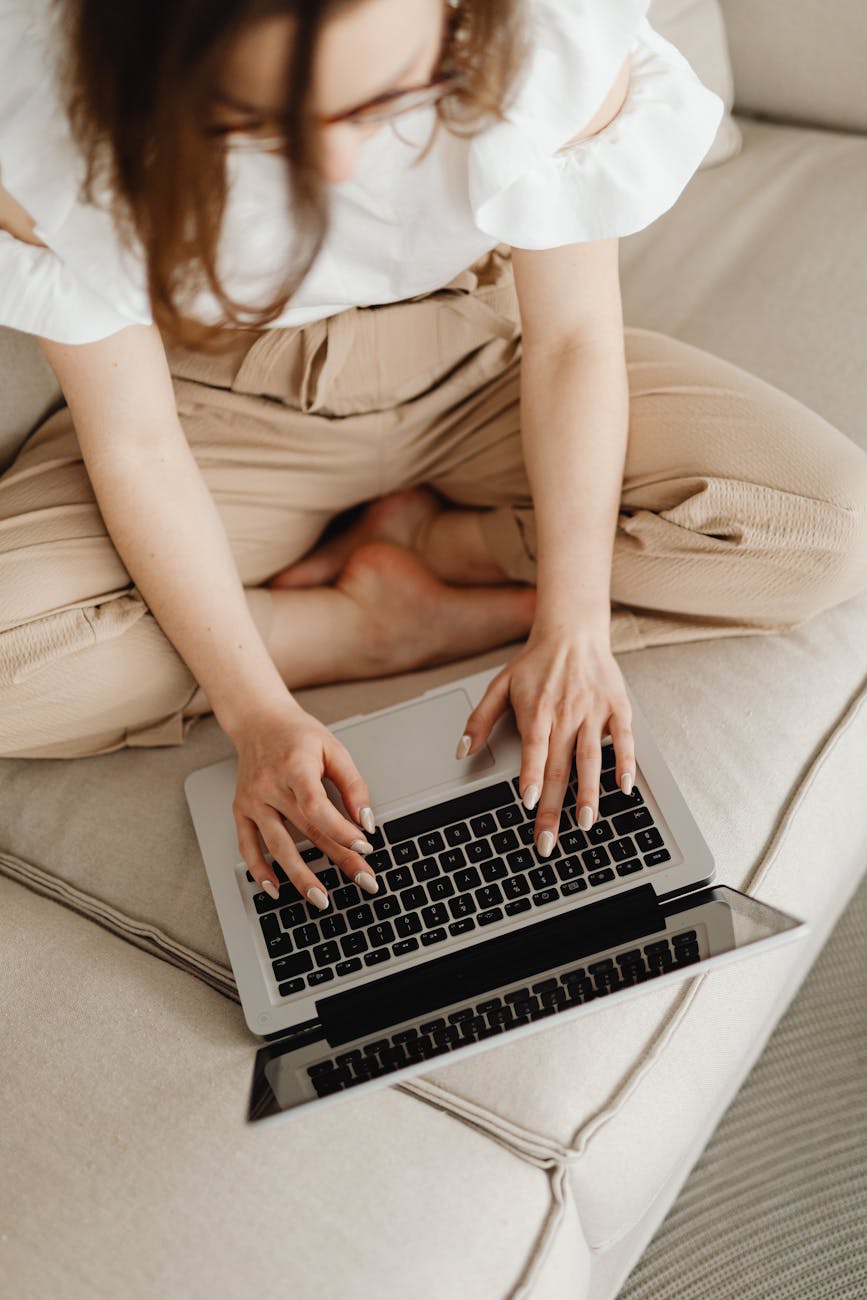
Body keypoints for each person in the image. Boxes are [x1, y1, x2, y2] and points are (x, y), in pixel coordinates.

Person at [2, 0, 866, 917]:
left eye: (391, 99)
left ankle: (451, 548)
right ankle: (362, 628)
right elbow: (136, 444)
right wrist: (254, 708)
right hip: (221, 402)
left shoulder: (551, 28)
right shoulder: (43, 99)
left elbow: (571, 342)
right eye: (246, 124)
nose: (330, 168)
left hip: (481, 356)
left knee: (825, 530)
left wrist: (572, 628)